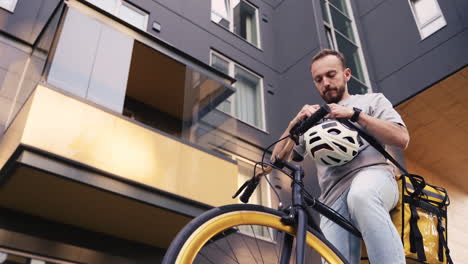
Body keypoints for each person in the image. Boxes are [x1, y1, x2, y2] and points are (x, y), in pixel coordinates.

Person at [270, 49, 409, 264]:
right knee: (332, 259)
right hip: (332, 199)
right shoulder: (313, 119)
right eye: (318, 79)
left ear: (346, 74)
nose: (325, 82)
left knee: (361, 195)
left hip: (375, 177)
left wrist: (355, 115)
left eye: (331, 75)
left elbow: (402, 138)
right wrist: (294, 124)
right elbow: (276, 160)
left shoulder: (372, 101)